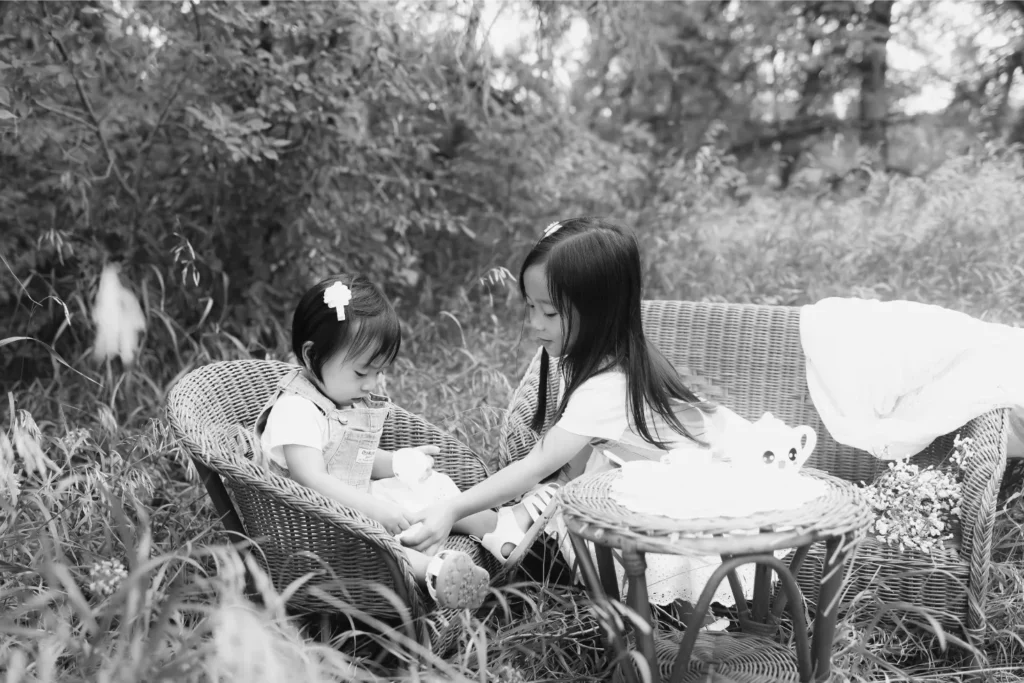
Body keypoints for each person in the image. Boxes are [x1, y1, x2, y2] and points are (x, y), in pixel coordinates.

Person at [400, 217, 758, 622]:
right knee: (542, 504)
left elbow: (538, 463)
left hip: (695, 493)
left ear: (598, 311)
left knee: (551, 529)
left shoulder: (607, 384)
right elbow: (566, 457)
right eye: (530, 307)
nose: (535, 324)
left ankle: (693, 617)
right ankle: (485, 524)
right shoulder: (594, 356)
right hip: (644, 473)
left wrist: (453, 507)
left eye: (549, 313)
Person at [254, 275, 499, 609]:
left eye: (379, 372)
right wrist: (373, 509)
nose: (372, 384)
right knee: (377, 542)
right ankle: (433, 571)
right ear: (312, 357)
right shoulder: (296, 409)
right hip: (315, 526)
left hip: (353, 500)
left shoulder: (336, 397)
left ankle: (499, 529)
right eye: (361, 373)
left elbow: (355, 457)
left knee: (433, 489)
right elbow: (311, 479)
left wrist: (398, 461)